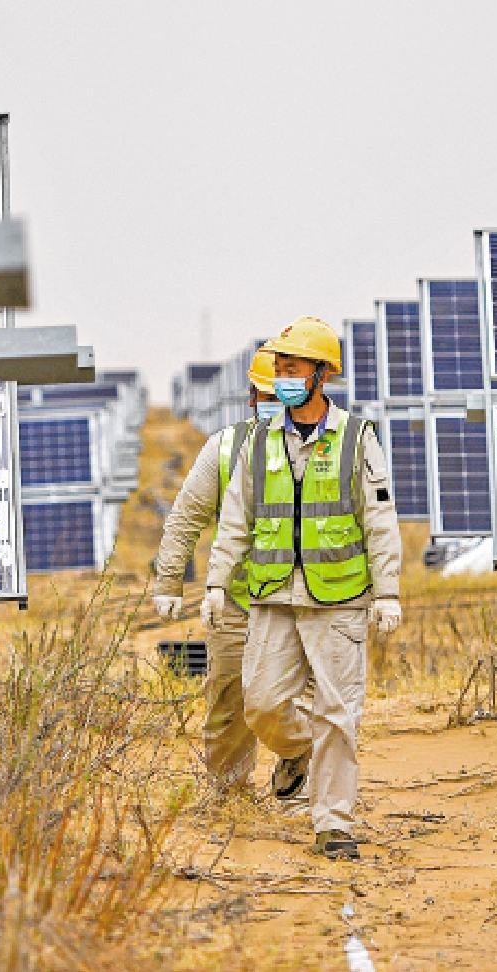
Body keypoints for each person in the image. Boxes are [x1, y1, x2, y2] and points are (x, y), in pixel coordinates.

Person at [204, 316, 402, 860]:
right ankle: (298, 753)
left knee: (339, 711)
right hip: (271, 596)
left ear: (321, 374)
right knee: (262, 705)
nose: (283, 377)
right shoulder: (260, 441)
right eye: (279, 368)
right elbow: (236, 520)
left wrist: (388, 591)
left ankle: (333, 822)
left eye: (292, 367)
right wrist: (217, 580)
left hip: (338, 598)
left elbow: (380, 520)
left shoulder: (357, 439)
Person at [152, 346, 284, 790]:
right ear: (251, 397)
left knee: (296, 700)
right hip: (235, 601)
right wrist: (169, 582)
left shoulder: (326, 447)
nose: (274, 403)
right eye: (267, 394)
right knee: (229, 700)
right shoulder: (224, 448)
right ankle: (231, 793)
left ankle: (302, 783)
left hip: (303, 599)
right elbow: (186, 516)